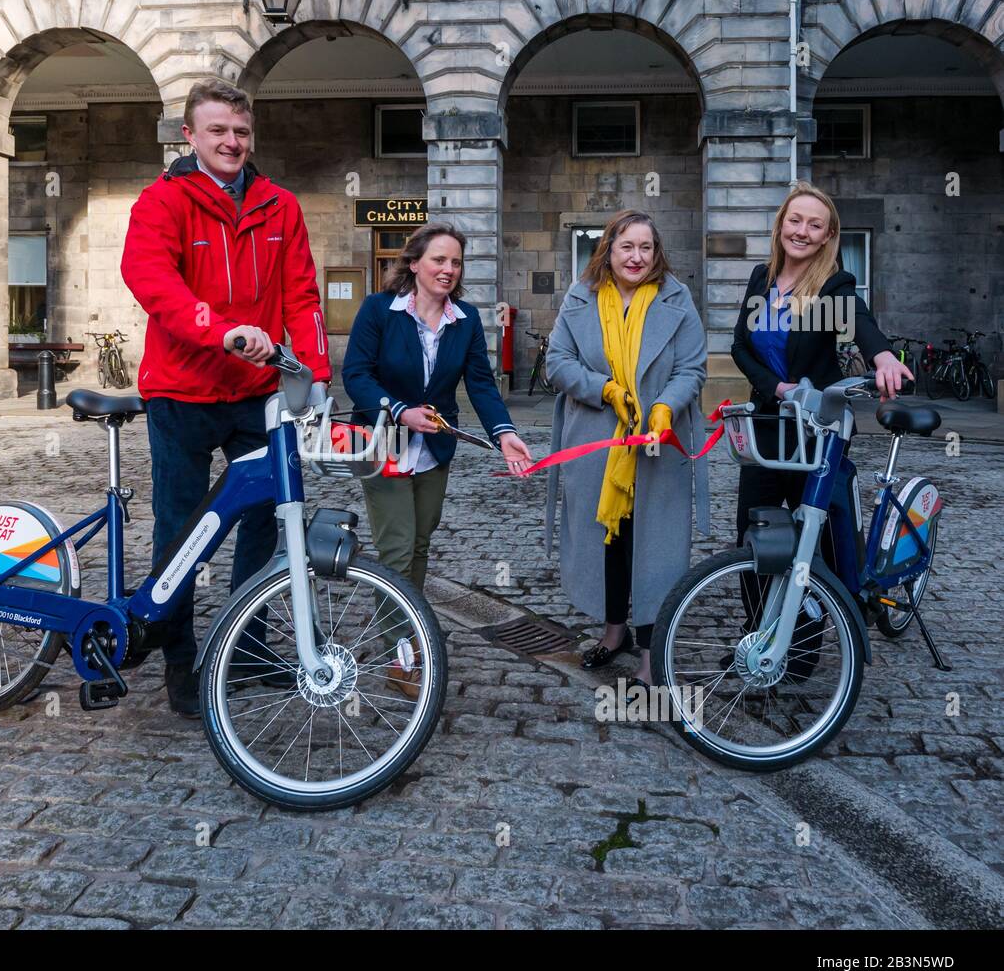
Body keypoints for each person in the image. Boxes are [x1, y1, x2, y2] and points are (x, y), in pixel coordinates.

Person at [120, 79, 331, 718]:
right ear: (190, 135)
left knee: (267, 522)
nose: (232, 142)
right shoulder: (163, 201)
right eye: (218, 131)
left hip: (258, 394)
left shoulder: (280, 206)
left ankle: (249, 648)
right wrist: (219, 329)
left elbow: (302, 294)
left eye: (241, 132)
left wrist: (316, 375)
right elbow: (150, 278)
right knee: (182, 530)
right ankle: (180, 661)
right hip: (182, 391)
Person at [342, 222, 533, 695]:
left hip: (435, 448)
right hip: (383, 444)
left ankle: (410, 625)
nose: (448, 270)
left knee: (421, 545)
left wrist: (504, 433)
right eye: (439, 260)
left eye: (455, 263)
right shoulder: (378, 311)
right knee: (397, 549)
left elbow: (482, 385)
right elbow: (356, 375)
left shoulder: (464, 319)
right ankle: (400, 654)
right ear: (413, 263)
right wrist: (399, 410)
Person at [544, 210, 708, 685]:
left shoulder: (678, 299)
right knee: (609, 542)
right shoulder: (581, 297)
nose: (636, 257)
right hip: (597, 443)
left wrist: (665, 407)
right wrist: (605, 389)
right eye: (627, 247)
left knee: (657, 549)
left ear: (657, 253)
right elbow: (557, 362)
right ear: (609, 250)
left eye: (646, 248)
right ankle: (612, 631)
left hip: (660, 447)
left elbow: (692, 369)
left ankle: (651, 655)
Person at [730, 182, 912, 552]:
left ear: (828, 235)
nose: (802, 231)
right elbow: (739, 347)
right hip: (766, 424)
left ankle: (819, 609)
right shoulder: (760, 279)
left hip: (816, 430)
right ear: (781, 224)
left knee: (817, 535)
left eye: (814, 225)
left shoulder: (832, 285)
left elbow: (858, 319)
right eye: (795, 220)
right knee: (754, 530)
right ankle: (759, 611)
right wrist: (778, 388)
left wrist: (883, 355)